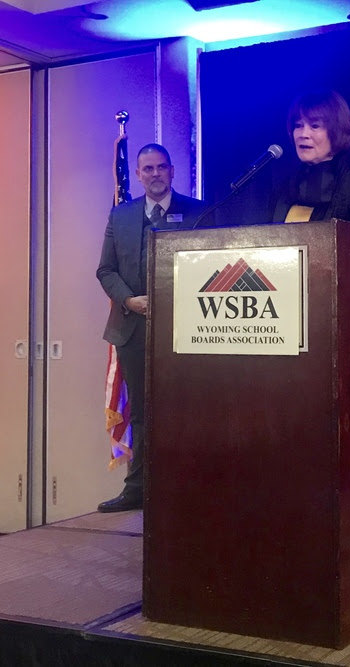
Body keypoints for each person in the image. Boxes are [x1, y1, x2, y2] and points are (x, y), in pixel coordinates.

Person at [96, 143, 208, 512]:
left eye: (162, 167)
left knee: (186, 409)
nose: (155, 174)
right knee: (141, 413)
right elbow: (106, 270)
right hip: (132, 327)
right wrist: (129, 300)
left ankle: (187, 487)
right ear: (140, 174)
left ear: (172, 171)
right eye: (148, 169)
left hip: (186, 329)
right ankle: (137, 488)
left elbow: (213, 264)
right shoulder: (121, 215)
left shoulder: (198, 211)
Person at [272, 89, 350, 272]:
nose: (303, 133)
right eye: (298, 125)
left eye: (314, 126)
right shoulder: (284, 189)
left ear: (336, 131)